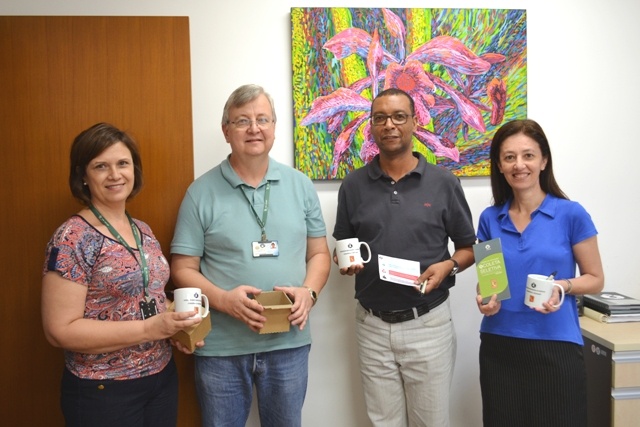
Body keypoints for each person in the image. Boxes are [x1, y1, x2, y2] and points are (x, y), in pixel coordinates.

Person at [170, 84, 331, 427]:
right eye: (242, 121)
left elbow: (319, 254)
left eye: (262, 119)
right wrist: (224, 300)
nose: (254, 128)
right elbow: (182, 268)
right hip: (220, 348)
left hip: (288, 343)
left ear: (274, 127)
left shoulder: (300, 185)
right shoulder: (200, 192)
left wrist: (309, 293)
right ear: (226, 130)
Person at [41, 123, 204, 427]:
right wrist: (150, 329)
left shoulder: (142, 230)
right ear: (83, 176)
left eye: (122, 163)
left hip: (161, 378)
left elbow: (146, 298)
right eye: (101, 166)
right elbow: (59, 330)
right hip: (104, 390)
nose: (115, 175)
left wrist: (176, 327)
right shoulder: (72, 238)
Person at [333, 88, 477, 426]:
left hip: (427, 323)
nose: (389, 125)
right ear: (372, 126)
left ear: (414, 122)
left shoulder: (444, 183)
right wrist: (345, 259)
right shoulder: (353, 185)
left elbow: (469, 248)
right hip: (372, 325)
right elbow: (343, 241)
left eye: (399, 116)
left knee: (430, 422)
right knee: (383, 422)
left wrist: (449, 265)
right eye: (380, 118)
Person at [476, 119, 604, 427]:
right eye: (509, 157)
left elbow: (596, 279)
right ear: (500, 165)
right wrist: (484, 300)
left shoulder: (571, 214)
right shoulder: (490, 218)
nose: (519, 165)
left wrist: (563, 286)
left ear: (543, 160)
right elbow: (489, 283)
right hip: (499, 346)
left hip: (556, 346)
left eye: (528, 155)